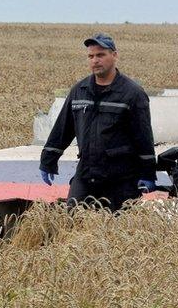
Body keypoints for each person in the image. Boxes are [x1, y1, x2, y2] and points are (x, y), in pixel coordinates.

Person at [39, 33, 158, 211]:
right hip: (86, 173)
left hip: (121, 179)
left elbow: (143, 137)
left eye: (101, 55)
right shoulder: (79, 91)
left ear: (114, 55)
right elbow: (63, 129)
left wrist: (148, 173)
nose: (95, 60)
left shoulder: (132, 93)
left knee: (116, 230)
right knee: (72, 219)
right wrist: (48, 160)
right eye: (91, 56)